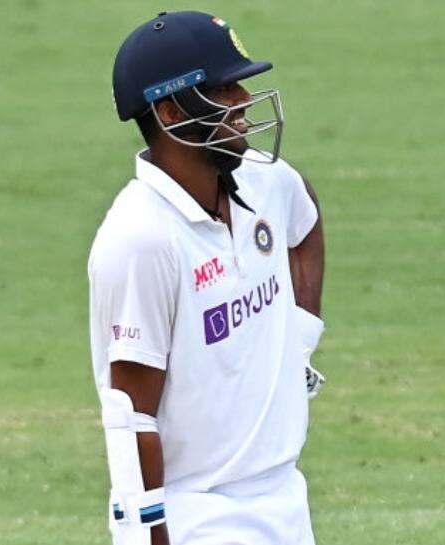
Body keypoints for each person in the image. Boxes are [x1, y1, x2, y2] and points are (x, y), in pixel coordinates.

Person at [88, 11, 325, 545]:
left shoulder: (264, 180)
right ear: (170, 110)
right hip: (198, 514)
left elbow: (305, 217)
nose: (243, 101)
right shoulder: (140, 239)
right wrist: (146, 534)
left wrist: (301, 337)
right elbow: (131, 417)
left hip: (284, 496)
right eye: (222, 89)